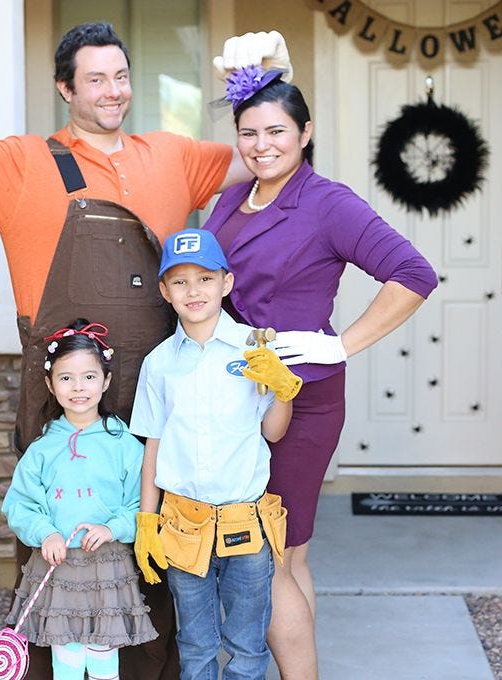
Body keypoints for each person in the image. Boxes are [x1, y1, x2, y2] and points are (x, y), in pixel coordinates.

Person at [0, 22, 289, 680]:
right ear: (64, 88)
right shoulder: (21, 161)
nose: (114, 91)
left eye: (121, 76)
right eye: (96, 79)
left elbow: (270, 153)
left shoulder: (172, 154)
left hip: (162, 383)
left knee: (158, 539)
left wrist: (273, 80)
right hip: (65, 395)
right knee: (64, 540)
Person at [202, 66, 439, 679]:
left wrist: (340, 346)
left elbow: (414, 276)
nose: (262, 145)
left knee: (271, 553)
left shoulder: (328, 203)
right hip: (233, 396)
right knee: (290, 556)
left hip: (298, 399)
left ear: (304, 133)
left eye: (276, 130)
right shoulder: (232, 198)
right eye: (248, 132)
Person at [129, 228, 302, 680]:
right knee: (196, 645)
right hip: (184, 526)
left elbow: (275, 433)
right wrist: (147, 521)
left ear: (226, 283)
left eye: (205, 278)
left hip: (247, 526)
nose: (194, 291)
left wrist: (283, 390)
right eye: (181, 282)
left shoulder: (255, 348)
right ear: (165, 291)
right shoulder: (159, 362)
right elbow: (154, 444)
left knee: (247, 647)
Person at [1, 319, 156, 680]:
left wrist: (112, 526)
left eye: (89, 376)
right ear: (50, 384)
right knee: (67, 659)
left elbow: (143, 506)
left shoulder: (124, 446)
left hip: (106, 568)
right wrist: (46, 533)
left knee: (103, 657)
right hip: (58, 569)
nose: (78, 387)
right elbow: (19, 505)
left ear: (106, 380)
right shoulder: (42, 449)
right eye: (66, 377)